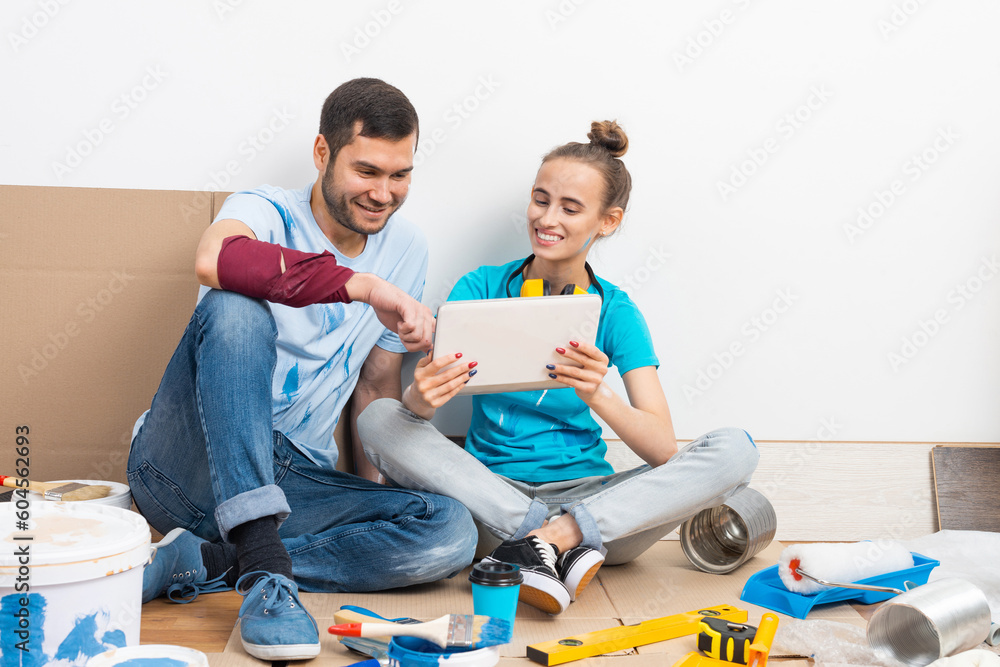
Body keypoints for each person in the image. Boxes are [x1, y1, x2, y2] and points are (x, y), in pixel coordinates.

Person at [126, 78, 477, 661]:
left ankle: (207, 562)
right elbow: (215, 259)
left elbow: (374, 384)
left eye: (400, 175)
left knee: (449, 529)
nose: (384, 193)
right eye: (367, 171)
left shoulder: (408, 248)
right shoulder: (264, 210)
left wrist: (371, 501)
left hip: (292, 479)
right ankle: (265, 570)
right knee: (234, 305)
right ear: (322, 154)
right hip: (185, 466)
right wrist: (360, 287)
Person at [358, 120, 760, 615]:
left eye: (570, 208)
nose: (547, 218)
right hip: (491, 502)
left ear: (607, 221)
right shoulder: (479, 287)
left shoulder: (616, 311)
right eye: (540, 199)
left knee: (736, 450)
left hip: (595, 512)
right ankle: (541, 542)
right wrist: (421, 397)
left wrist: (599, 395)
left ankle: (550, 539)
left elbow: (662, 450)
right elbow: (415, 416)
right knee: (378, 418)